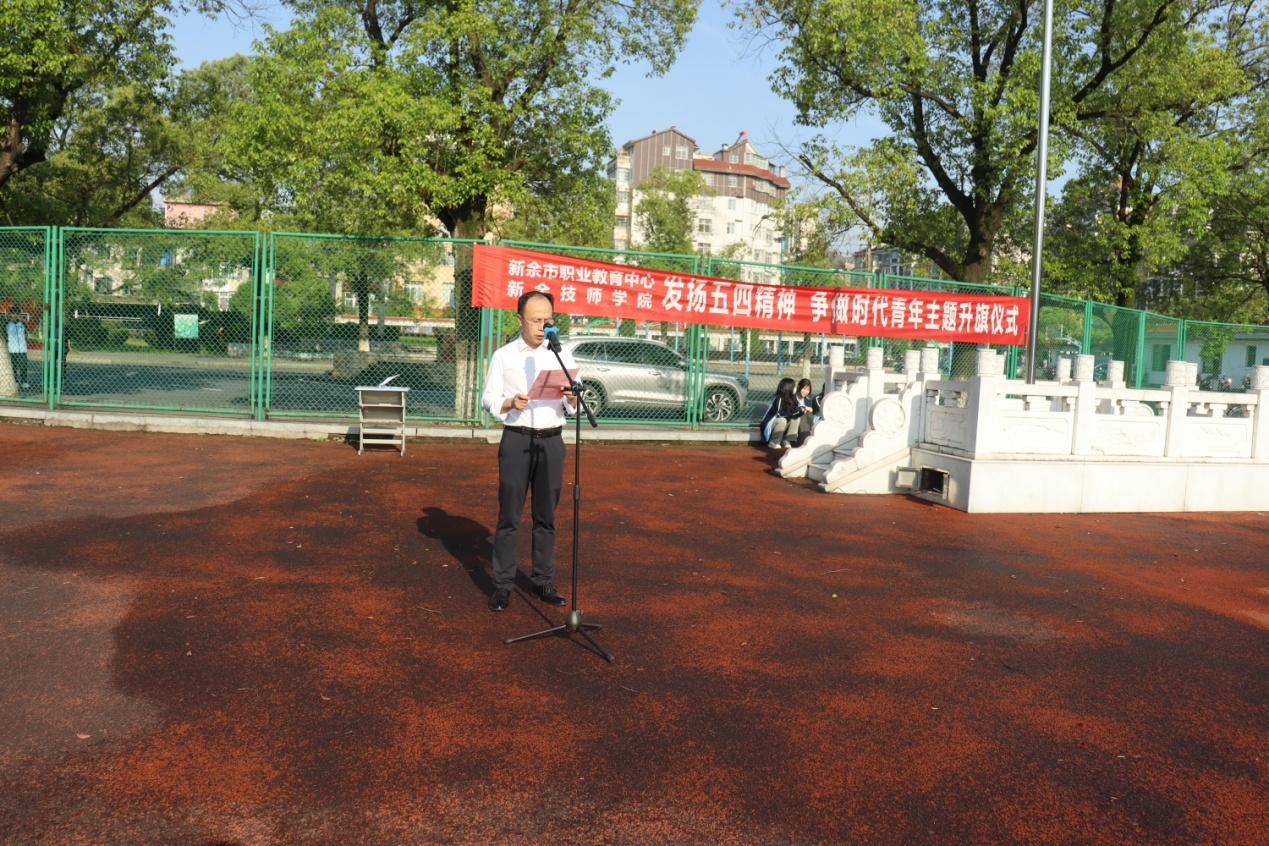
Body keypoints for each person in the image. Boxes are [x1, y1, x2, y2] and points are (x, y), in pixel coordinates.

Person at [480, 290, 578, 612]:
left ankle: (542, 581)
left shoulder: (561, 355)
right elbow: (488, 399)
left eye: (548, 320)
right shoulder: (504, 355)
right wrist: (510, 402)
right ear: (520, 319)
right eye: (536, 320)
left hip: (552, 440)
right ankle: (503, 584)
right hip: (517, 440)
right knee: (509, 515)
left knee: (546, 516)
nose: (542, 326)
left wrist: (572, 398)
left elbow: (573, 405)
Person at [759, 377, 809, 449]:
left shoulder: (793, 398)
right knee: (782, 420)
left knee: (796, 419)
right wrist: (798, 409)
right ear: (788, 387)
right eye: (793, 386)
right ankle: (774, 442)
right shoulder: (779, 398)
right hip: (770, 423)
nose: (795, 388)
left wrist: (801, 410)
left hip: (783, 423)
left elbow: (795, 411)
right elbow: (781, 413)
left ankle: (787, 441)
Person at [6, 308, 28, 389]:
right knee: (14, 366)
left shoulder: (22, 323)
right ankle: (15, 381)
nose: (15, 315)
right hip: (12, 349)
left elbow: (26, 334)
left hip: (22, 348)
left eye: (16, 313)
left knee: (23, 365)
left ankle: (24, 381)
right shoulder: (7, 324)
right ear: (10, 314)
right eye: (13, 313)